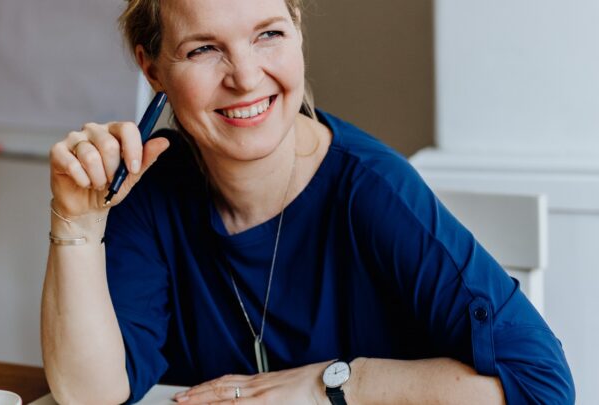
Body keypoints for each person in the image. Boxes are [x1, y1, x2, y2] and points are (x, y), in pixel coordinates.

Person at [41, 0, 574, 403]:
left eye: (268, 34)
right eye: (203, 49)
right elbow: (89, 396)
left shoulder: (374, 190)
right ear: (153, 69)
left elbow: (543, 386)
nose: (245, 77)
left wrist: (334, 383)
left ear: (297, 28)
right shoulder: (151, 186)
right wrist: (78, 224)